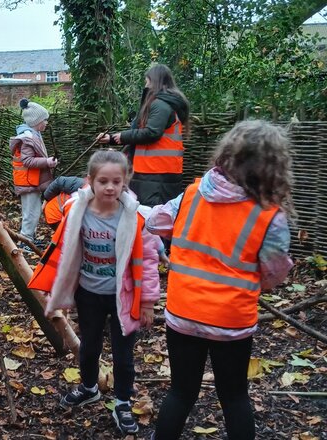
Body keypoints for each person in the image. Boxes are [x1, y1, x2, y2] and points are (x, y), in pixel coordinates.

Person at [148, 120, 294, 440]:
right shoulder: (269, 215)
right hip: (231, 321)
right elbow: (274, 271)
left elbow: (156, 221)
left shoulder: (190, 195)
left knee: (181, 392)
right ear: (272, 166)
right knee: (234, 397)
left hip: (183, 313)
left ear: (227, 154)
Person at [40, 150, 160, 435]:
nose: (110, 187)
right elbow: (66, 253)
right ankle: (89, 387)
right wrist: (61, 291)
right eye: (103, 181)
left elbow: (150, 260)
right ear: (90, 181)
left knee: (123, 354)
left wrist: (147, 302)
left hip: (124, 296)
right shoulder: (76, 212)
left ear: (125, 182)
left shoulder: (135, 218)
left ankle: (122, 402)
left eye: (116, 181)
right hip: (88, 294)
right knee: (89, 346)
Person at [98, 64, 189, 207]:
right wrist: (111, 138)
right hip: (157, 172)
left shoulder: (160, 105)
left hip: (155, 173)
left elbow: (151, 133)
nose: (145, 85)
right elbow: (141, 133)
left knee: (151, 218)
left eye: (147, 81)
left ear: (154, 81)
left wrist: (122, 136)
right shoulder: (166, 104)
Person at [10, 98, 57, 248]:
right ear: (36, 121)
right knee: (30, 214)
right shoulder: (27, 138)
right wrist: (47, 162)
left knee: (34, 212)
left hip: (32, 181)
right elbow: (28, 161)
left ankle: (29, 239)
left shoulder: (34, 135)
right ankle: (24, 242)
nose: (46, 123)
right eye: (44, 120)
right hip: (28, 182)